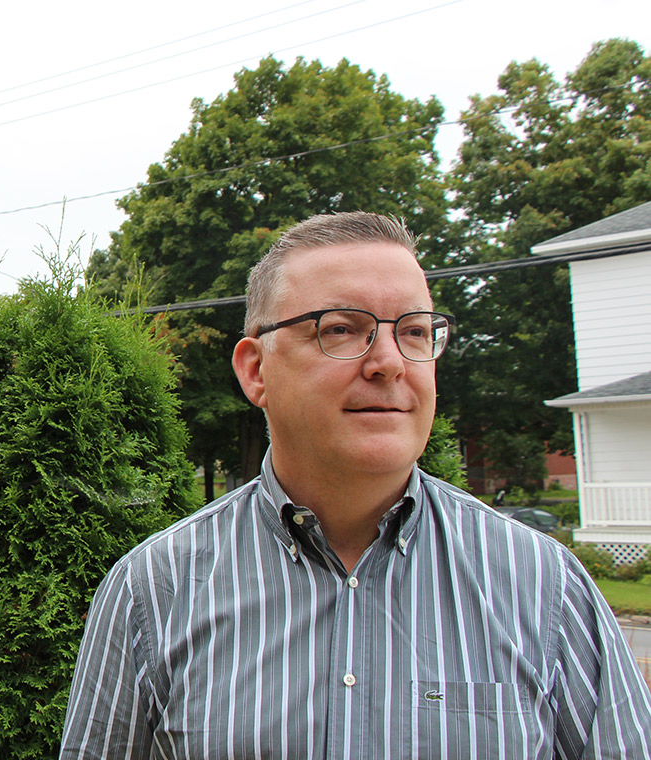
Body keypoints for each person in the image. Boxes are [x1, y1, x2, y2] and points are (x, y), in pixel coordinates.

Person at [58, 212, 651, 759]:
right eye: (341, 329)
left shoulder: (544, 586)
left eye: (416, 332)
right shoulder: (153, 592)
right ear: (256, 370)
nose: (389, 361)